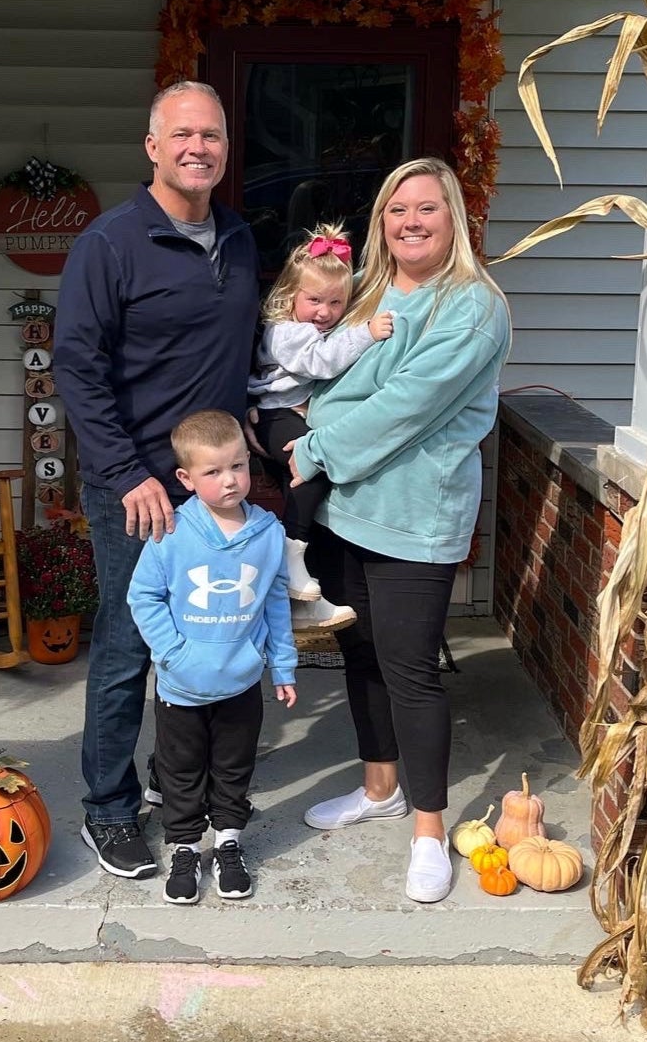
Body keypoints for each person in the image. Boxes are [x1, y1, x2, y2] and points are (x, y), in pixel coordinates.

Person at [286, 157, 511, 903]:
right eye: (395, 210)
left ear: (455, 220)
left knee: (411, 670)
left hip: (415, 514)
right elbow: (327, 380)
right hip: (342, 508)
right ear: (381, 222)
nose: (410, 221)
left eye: (427, 209)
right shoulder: (372, 294)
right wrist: (330, 414)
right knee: (360, 652)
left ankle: (427, 830)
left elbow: (408, 403)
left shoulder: (472, 307)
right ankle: (378, 787)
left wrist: (317, 442)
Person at [53, 82, 260, 881]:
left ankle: (197, 795)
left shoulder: (238, 238)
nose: (198, 147)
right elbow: (78, 366)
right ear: (152, 146)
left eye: (211, 134)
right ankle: (109, 806)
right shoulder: (111, 244)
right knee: (130, 644)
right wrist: (123, 472)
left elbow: (256, 351)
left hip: (218, 483)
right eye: (182, 135)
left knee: (213, 637)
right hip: (136, 486)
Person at [127, 410, 297, 904]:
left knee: (233, 768)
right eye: (213, 472)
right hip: (181, 686)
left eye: (238, 467)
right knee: (181, 772)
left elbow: (275, 601)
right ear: (185, 478)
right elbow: (144, 597)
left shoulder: (267, 533)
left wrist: (281, 665)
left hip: (241, 682)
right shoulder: (173, 531)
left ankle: (227, 842)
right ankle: (183, 847)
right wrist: (173, 653)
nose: (230, 481)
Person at [248, 222, 394, 629]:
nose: (325, 312)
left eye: (335, 302)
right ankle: (290, 554)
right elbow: (323, 361)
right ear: (289, 295)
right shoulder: (287, 332)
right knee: (309, 470)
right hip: (274, 415)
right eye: (314, 300)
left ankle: (302, 595)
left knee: (309, 487)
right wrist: (367, 333)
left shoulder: (318, 325)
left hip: (294, 415)